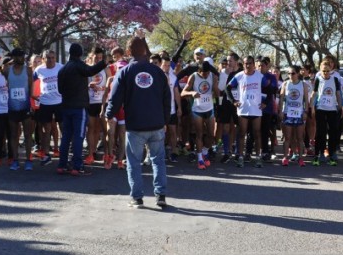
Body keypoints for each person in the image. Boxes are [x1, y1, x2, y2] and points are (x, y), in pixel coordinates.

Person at [105, 35, 171, 209]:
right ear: (145, 51)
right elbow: (167, 98)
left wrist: (109, 115)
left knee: (134, 161)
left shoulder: (124, 72)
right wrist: (165, 119)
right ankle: (161, 195)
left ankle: (137, 198)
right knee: (158, 160)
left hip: (135, 125)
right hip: (156, 123)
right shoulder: (158, 72)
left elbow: (115, 97)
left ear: (128, 52)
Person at [56, 43, 106, 176]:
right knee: (78, 136)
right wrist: (104, 63)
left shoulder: (63, 69)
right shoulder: (79, 65)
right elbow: (91, 71)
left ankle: (62, 165)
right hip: (79, 107)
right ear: (80, 53)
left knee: (66, 136)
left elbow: (60, 90)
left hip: (66, 106)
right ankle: (77, 167)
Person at [226, 55, 267, 168]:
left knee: (257, 133)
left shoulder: (259, 76)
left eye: (250, 63)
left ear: (254, 64)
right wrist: (234, 101)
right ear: (242, 64)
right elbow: (227, 88)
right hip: (243, 109)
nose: (247, 65)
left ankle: (258, 158)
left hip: (256, 109)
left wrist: (265, 102)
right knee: (241, 134)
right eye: (245, 63)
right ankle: (240, 157)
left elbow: (268, 88)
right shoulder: (239, 76)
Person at [181, 60, 220, 169]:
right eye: (204, 74)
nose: (206, 76)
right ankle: (200, 159)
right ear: (199, 71)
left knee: (211, 135)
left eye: (207, 73)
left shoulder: (212, 76)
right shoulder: (193, 77)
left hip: (209, 108)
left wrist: (216, 88)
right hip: (197, 110)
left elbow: (218, 94)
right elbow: (183, 93)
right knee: (199, 134)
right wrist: (192, 93)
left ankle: (204, 151)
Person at [5, 48, 35, 171]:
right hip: (12, 106)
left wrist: (32, 104)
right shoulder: (7, 70)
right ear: (14, 57)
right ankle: (15, 160)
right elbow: (2, 68)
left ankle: (28, 160)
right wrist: (10, 62)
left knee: (27, 135)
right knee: (13, 135)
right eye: (19, 56)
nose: (22, 58)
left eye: (23, 56)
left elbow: (31, 88)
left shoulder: (28, 71)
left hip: (25, 106)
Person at [311, 59, 343, 166]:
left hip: (332, 109)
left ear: (331, 70)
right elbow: (314, 94)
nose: (325, 73)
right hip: (321, 108)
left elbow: (338, 94)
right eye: (323, 71)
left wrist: (340, 106)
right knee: (321, 132)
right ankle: (320, 153)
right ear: (320, 71)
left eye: (327, 71)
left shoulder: (335, 80)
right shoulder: (318, 80)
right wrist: (311, 107)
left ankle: (332, 153)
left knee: (333, 131)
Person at [278, 65, 308, 166]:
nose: (290, 75)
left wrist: (305, 112)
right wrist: (281, 111)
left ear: (298, 73)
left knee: (300, 137)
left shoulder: (303, 85)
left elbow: (306, 100)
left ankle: (300, 158)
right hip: (288, 113)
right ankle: (285, 157)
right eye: (289, 73)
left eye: (293, 73)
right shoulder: (285, 84)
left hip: (299, 113)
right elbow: (281, 99)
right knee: (288, 138)